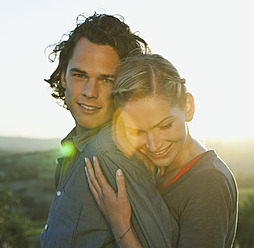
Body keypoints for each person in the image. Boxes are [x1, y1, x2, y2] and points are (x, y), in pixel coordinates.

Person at [40, 13, 178, 248]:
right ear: (63, 77)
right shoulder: (78, 146)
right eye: (79, 75)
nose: (89, 92)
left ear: (123, 87)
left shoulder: (110, 154)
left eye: (106, 80)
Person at [85, 54, 238, 247]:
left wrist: (120, 224)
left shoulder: (209, 183)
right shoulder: (154, 167)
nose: (153, 145)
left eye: (165, 126)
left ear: (188, 107)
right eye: (137, 131)